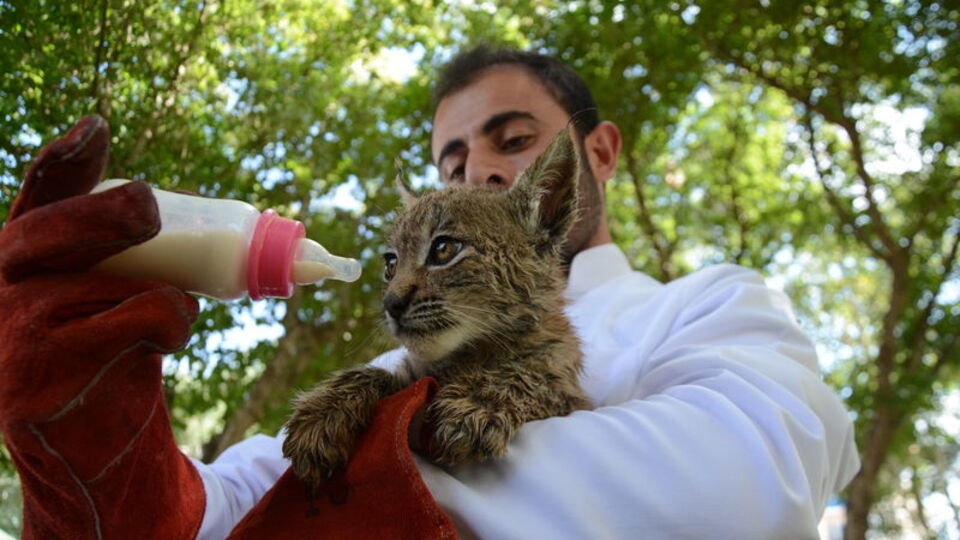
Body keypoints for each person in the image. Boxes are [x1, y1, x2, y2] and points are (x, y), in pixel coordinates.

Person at [0, 46, 860, 539]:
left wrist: (377, 472)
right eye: (451, 163)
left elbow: (744, 489)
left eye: (511, 140)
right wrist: (107, 459)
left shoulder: (710, 303)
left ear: (592, 156)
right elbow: (225, 503)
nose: (476, 170)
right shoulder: (402, 361)